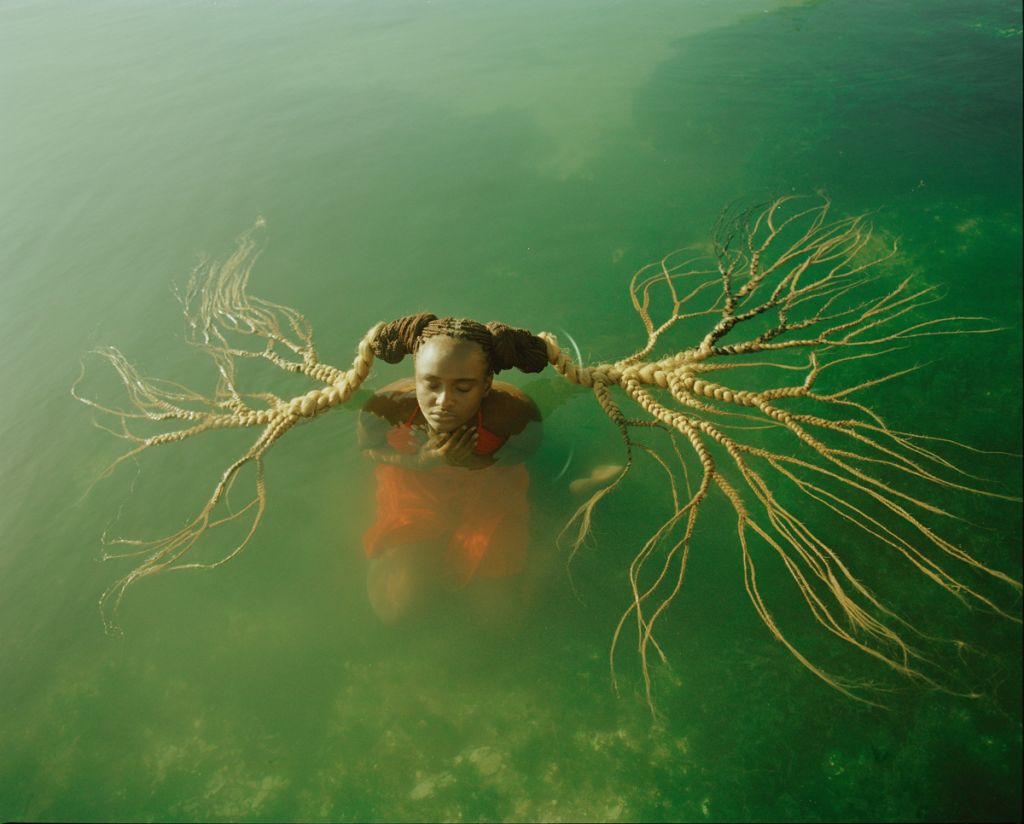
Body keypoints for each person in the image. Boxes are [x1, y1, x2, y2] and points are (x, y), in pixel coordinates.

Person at [358, 314, 547, 625]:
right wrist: (418, 461)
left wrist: (475, 462)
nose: (443, 402)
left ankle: (545, 556)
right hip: (412, 480)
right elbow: (369, 449)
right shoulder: (389, 405)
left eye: (463, 387)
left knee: (499, 617)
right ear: (415, 375)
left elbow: (526, 451)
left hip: (488, 483)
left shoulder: (512, 410)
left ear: (487, 385)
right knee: (396, 607)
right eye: (430, 384)